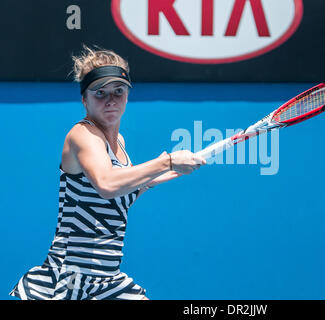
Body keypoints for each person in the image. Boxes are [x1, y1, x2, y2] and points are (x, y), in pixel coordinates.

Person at [9, 46, 205, 300]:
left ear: (127, 95)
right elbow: (107, 185)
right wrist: (166, 162)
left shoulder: (118, 142)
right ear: (84, 99)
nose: (110, 99)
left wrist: (161, 175)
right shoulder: (83, 134)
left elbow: (116, 199)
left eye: (118, 91)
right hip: (70, 280)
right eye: (100, 93)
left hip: (108, 280)